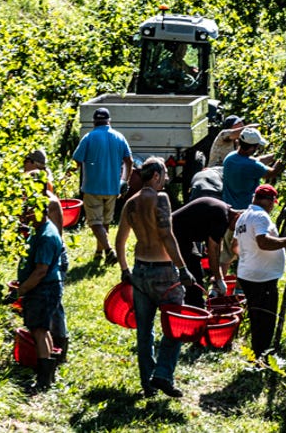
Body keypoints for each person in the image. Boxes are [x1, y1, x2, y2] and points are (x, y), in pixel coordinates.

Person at [115, 156, 197, 398]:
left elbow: (120, 240)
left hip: (139, 270)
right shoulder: (161, 199)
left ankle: (148, 384)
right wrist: (182, 269)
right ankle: (162, 374)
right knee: (175, 326)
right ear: (156, 176)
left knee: (144, 331)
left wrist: (124, 269)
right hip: (163, 273)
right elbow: (166, 235)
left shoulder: (130, 203)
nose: (167, 180)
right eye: (165, 176)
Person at [234, 184, 286, 358]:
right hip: (261, 278)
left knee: (256, 316)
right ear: (269, 201)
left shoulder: (243, 218)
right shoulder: (260, 216)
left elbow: (235, 246)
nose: (273, 207)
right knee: (266, 319)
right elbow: (263, 242)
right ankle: (261, 357)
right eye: (273, 203)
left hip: (249, 274)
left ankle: (257, 353)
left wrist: (250, 257)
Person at [14, 198, 64, 391]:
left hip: (44, 288)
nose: (24, 215)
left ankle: (43, 381)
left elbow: (40, 271)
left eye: (28, 211)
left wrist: (21, 290)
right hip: (45, 287)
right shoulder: (41, 230)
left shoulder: (46, 236)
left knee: (39, 331)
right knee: (42, 329)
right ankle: (48, 375)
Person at [73, 107, 133, 263]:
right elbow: (129, 161)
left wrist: (66, 175)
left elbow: (77, 161)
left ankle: (108, 250)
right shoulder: (119, 137)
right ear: (109, 121)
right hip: (112, 188)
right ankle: (99, 253)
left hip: (92, 187)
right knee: (105, 222)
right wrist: (124, 180)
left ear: (94, 122)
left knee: (95, 223)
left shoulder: (89, 137)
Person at [171, 197, 240, 307]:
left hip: (185, 236)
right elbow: (213, 249)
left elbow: (217, 246)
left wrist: (219, 277)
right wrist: (218, 278)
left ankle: (195, 303)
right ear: (237, 217)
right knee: (193, 272)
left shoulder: (224, 212)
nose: (235, 231)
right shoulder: (221, 216)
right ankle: (194, 308)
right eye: (238, 228)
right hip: (173, 234)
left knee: (195, 262)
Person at [221, 126, 281, 210]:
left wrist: (276, 155)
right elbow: (272, 172)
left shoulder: (230, 157)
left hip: (227, 207)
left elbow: (256, 160)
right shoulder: (252, 166)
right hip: (244, 209)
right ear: (252, 148)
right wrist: (283, 157)